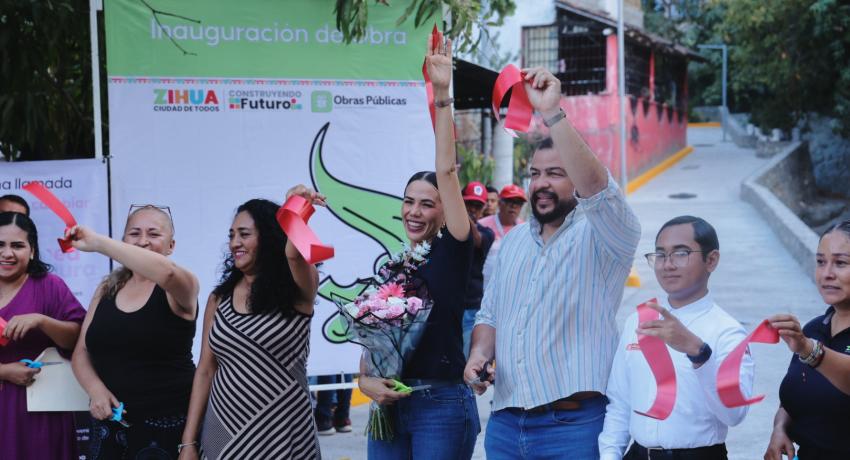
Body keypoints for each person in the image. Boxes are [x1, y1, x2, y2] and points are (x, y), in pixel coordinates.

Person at [465, 66, 641, 459]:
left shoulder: (605, 236)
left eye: (556, 174)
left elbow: (600, 191)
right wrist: (479, 354)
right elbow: (490, 313)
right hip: (506, 426)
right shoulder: (513, 244)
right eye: (535, 174)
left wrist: (554, 114)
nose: (541, 183)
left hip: (574, 428)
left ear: (576, 178)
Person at [357, 34, 479, 460]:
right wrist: (365, 384)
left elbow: (446, 170)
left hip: (441, 406)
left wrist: (442, 94)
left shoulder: (455, 248)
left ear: (446, 211)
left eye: (427, 204)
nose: (414, 211)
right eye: (408, 201)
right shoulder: (395, 267)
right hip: (390, 410)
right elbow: (373, 346)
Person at [179, 191, 322, 460]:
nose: (235, 243)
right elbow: (206, 371)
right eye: (231, 235)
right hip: (223, 430)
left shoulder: (298, 290)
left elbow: (294, 256)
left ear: (269, 238)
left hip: (283, 430)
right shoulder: (219, 298)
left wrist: (295, 209)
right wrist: (188, 443)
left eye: (244, 234)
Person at [599, 216, 752, 460]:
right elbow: (620, 402)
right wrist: (609, 455)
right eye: (660, 254)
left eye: (680, 253)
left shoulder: (727, 331)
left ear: (711, 260)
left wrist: (699, 353)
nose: (667, 264)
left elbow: (735, 414)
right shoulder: (639, 321)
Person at [70, 205, 198, 460]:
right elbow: (81, 352)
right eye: (134, 234)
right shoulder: (107, 288)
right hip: (110, 426)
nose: (143, 241)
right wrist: (95, 389)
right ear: (124, 242)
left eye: (153, 234)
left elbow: (167, 272)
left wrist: (98, 242)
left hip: (167, 427)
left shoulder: (182, 285)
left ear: (171, 245)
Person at [0, 211, 86, 459]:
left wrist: (42, 321)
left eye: (17, 245)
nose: (7, 253)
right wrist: (5, 371)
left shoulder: (49, 286)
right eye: (1, 245)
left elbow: (78, 339)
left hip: (41, 413)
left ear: (33, 250)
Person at [765, 219, 850, 460]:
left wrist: (808, 349)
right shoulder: (814, 328)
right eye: (821, 262)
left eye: (841, 263)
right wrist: (780, 428)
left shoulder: (808, 342)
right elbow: (794, 394)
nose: (827, 273)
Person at [461, 182, 494, 357]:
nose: (473, 209)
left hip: (471, 308)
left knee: (467, 360)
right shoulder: (445, 230)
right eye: (469, 204)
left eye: (477, 206)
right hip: (447, 306)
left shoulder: (487, 233)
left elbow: (476, 240)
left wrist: (459, 212)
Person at [479, 184, 527, 286]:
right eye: (509, 202)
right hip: (484, 286)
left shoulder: (526, 229)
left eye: (518, 203)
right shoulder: (482, 224)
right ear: (500, 203)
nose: (513, 206)